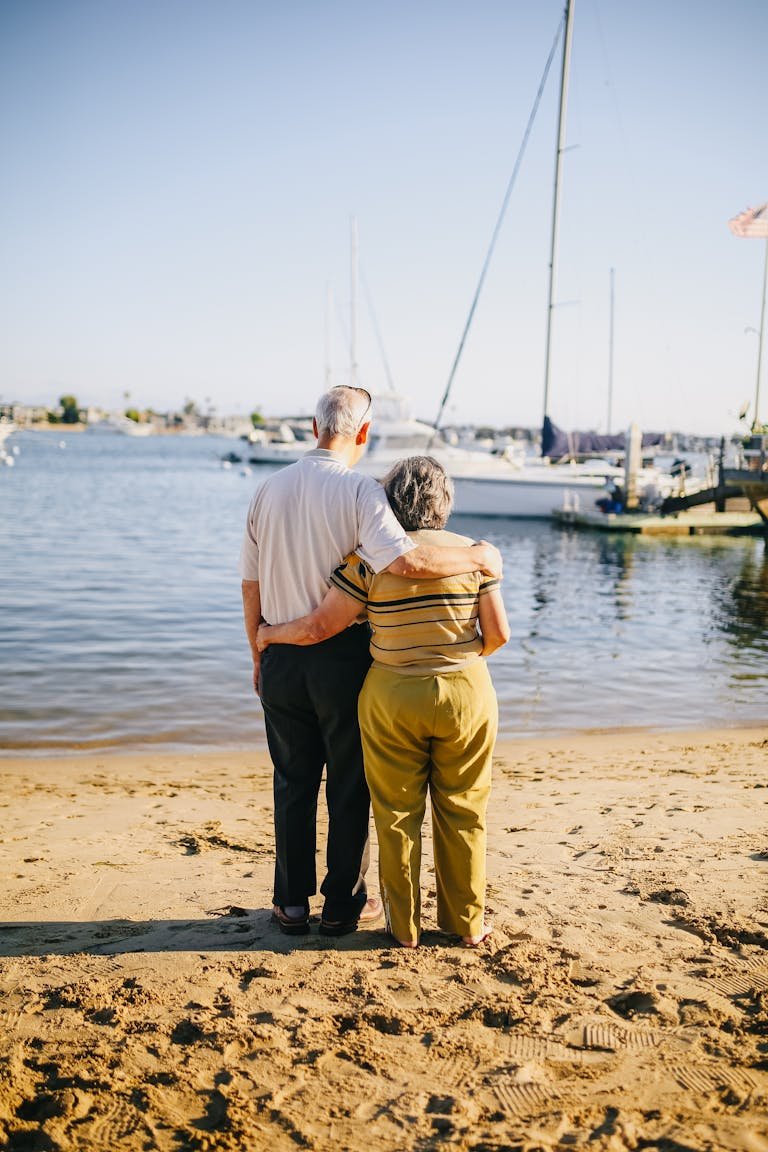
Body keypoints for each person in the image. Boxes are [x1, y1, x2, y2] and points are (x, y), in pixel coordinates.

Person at [240, 388, 503, 938]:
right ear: (362, 433)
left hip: (282, 652)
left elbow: (251, 584)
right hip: (343, 659)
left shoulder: (266, 490)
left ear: (314, 426)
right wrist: (479, 558)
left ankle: (290, 906)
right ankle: (341, 906)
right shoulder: (362, 491)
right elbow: (408, 559)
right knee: (349, 783)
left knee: (291, 781)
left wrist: (258, 649)